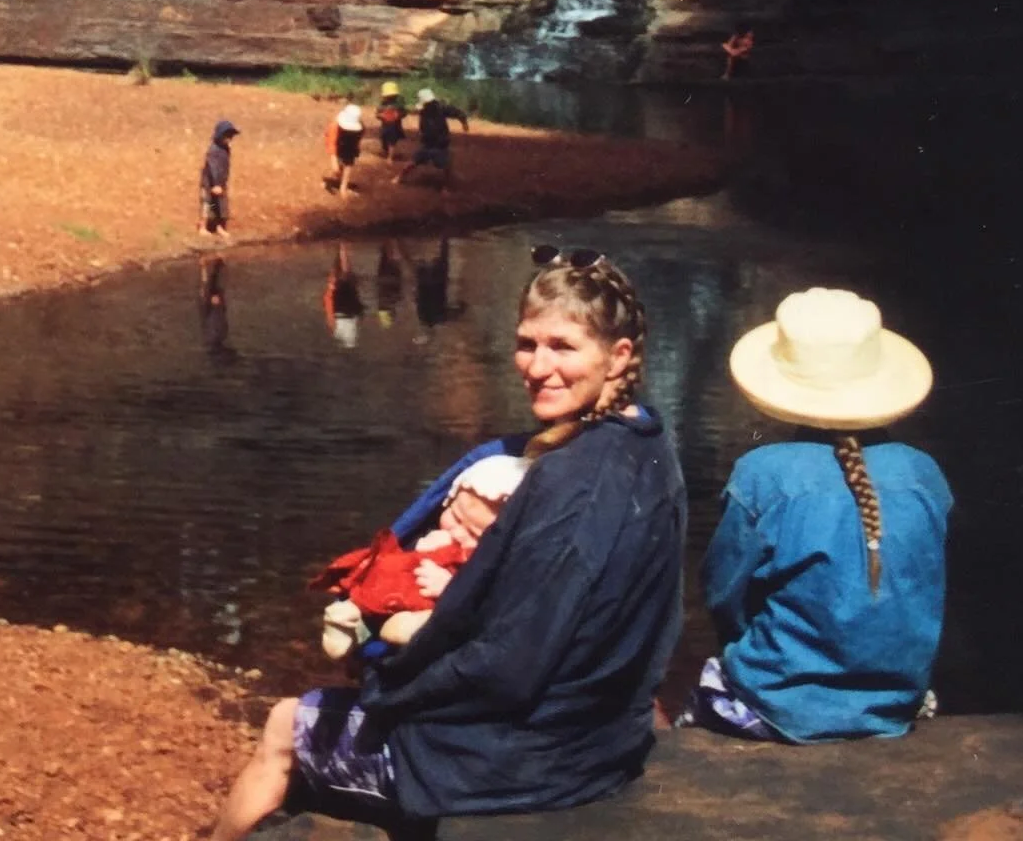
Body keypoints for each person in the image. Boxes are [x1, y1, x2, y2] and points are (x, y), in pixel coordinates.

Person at [209, 249, 685, 839]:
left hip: (523, 763)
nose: (538, 367)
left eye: (563, 347)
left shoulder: (571, 482)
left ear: (617, 357)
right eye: (526, 344)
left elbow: (509, 666)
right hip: (600, 737)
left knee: (285, 727)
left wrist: (389, 684)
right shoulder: (649, 444)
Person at [680, 287, 951, 744]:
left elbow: (725, 596)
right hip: (895, 701)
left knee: (691, 694)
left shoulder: (762, 476)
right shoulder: (924, 474)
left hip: (781, 703)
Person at [314, 454, 529, 657]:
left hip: (428, 614)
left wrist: (451, 587)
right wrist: (422, 550)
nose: (457, 532)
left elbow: (486, 599)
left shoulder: (485, 564)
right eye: (455, 516)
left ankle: (395, 631)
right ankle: (347, 624)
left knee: (414, 624)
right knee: (373, 591)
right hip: (394, 598)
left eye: (473, 533)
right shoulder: (437, 534)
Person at [393, 88, 469, 189]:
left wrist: (464, 123)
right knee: (414, 161)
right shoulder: (424, 110)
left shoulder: (441, 108)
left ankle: (446, 187)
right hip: (428, 143)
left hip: (440, 143)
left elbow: (459, 113)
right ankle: (400, 177)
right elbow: (410, 111)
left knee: (445, 166)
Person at [197, 119, 239, 237]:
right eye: (227, 136)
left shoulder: (226, 149)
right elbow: (213, 167)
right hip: (209, 182)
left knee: (221, 205)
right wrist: (215, 184)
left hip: (221, 182)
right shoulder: (213, 150)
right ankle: (203, 227)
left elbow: (225, 167)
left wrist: (223, 183)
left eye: (231, 136)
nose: (229, 138)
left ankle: (220, 227)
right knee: (207, 203)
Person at [334, 100, 365, 200]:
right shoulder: (337, 126)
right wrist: (333, 160)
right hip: (340, 144)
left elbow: (359, 138)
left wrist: (357, 148)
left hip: (351, 146)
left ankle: (343, 187)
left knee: (348, 165)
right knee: (339, 164)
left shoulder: (361, 128)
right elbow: (332, 141)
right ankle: (340, 180)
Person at [376, 82, 408, 161]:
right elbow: (377, 114)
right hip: (385, 126)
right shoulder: (382, 105)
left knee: (392, 141)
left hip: (394, 126)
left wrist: (398, 115)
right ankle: (386, 151)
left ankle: (390, 157)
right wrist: (381, 115)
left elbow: (404, 112)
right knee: (384, 139)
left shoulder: (398, 105)